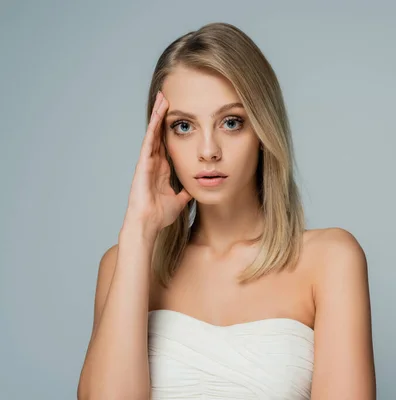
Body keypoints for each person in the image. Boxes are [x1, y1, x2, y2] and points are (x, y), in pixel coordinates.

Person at [77, 22, 376, 400]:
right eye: (183, 126)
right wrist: (139, 231)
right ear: (160, 141)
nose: (208, 150)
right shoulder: (123, 264)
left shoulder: (330, 260)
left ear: (264, 131)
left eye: (231, 122)